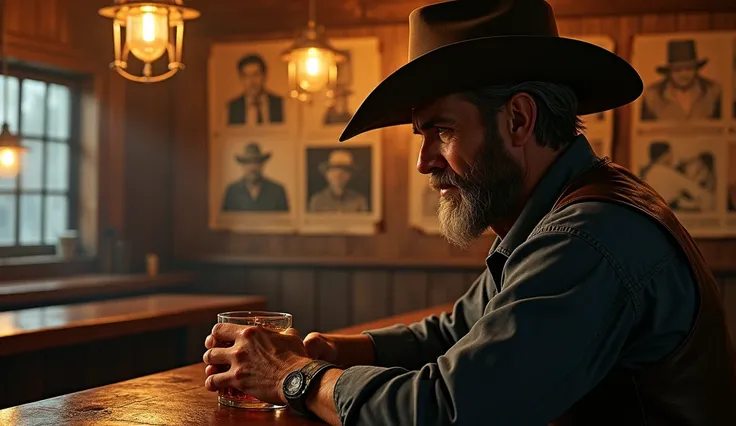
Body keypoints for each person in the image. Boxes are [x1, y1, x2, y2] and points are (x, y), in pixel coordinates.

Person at [202, 1, 736, 425]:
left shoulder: (587, 238)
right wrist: (325, 348)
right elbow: (456, 331)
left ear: (519, 121)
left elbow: (449, 412)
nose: (422, 161)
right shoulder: (562, 210)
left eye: (443, 130)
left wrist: (295, 377)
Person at [640, 39, 722, 121]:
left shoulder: (713, 92)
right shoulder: (652, 96)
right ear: (669, 72)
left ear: (696, 69)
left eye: (688, 69)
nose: (683, 74)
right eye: (677, 70)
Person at [640, 141, 714, 212]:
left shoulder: (647, 173)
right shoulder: (669, 174)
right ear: (666, 155)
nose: (672, 156)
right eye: (670, 153)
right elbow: (700, 194)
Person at [221, 142, 289, 212]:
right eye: (248, 162)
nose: (252, 167)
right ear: (243, 165)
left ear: (262, 165)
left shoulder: (277, 191)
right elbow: (225, 221)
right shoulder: (232, 191)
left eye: (256, 162)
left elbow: (285, 221)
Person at [227, 54, 284, 126]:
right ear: (241, 78)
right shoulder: (234, 107)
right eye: (246, 76)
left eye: (256, 74)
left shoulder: (279, 104)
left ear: (264, 76)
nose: (252, 81)